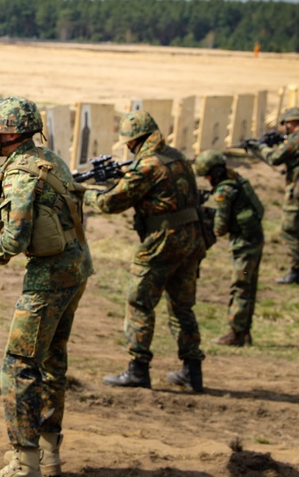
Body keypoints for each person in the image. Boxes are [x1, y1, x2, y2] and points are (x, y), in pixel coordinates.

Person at [0, 96, 93, 477]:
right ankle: (47, 453)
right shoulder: (47, 159)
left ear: (4, 135)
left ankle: (25, 462)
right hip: (76, 267)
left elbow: (16, 238)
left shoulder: (20, 174)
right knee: (52, 361)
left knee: (19, 365)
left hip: (49, 278)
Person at [84, 111, 206, 393]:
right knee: (182, 306)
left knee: (139, 302)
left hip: (163, 242)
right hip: (192, 239)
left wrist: (83, 193)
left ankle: (138, 369)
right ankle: (193, 371)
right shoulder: (176, 156)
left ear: (134, 141)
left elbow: (111, 203)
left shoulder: (147, 165)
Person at [194, 150, 265, 347]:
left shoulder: (224, 191)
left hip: (245, 248)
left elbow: (220, 227)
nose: (207, 180)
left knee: (241, 283)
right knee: (248, 284)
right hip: (253, 242)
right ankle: (243, 331)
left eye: (207, 175)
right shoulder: (236, 179)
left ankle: (236, 333)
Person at [256, 107, 299, 285]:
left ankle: (296, 271)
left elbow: (275, 158)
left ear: (291, 122)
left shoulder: (298, 139)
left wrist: (261, 147)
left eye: (285, 124)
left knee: (290, 230)